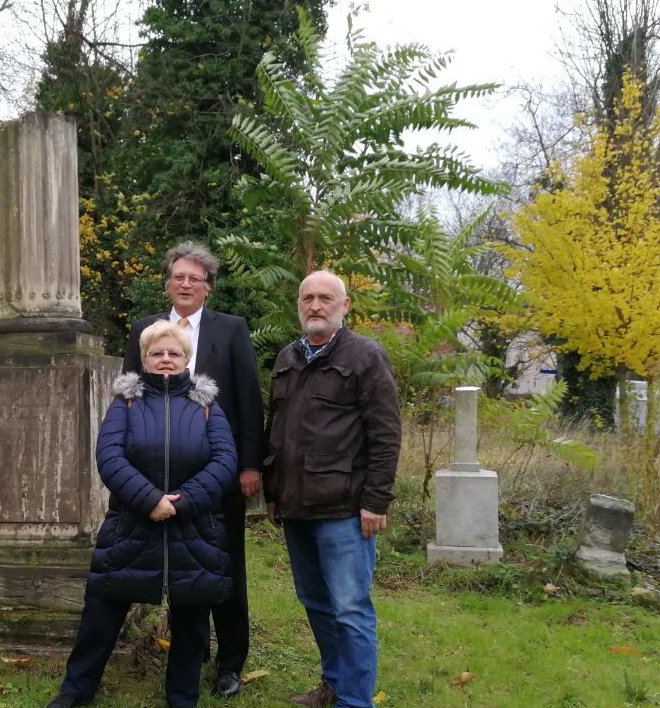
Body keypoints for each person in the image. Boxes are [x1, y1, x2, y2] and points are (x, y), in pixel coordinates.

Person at [46, 321, 237, 708]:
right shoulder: (126, 404)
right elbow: (110, 456)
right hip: (131, 524)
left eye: (174, 353)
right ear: (145, 358)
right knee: (100, 616)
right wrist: (150, 499)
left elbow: (224, 460)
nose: (166, 359)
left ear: (186, 359)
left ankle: (182, 697)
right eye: (157, 353)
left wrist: (181, 503)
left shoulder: (206, 407)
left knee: (192, 621)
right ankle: (76, 690)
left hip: (194, 527)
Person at [121, 241, 263, 698]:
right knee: (177, 567)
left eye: (195, 279)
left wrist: (249, 465)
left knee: (223, 566)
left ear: (208, 288)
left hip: (218, 472)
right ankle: (191, 648)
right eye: (178, 276)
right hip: (156, 476)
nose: (186, 284)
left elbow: (247, 399)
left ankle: (230, 662)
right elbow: (127, 396)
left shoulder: (232, 329)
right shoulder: (146, 330)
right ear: (167, 282)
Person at [262, 271, 402, 708]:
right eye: (308, 298)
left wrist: (376, 500)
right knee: (317, 604)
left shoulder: (364, 356)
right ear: (299, 305)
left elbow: (386, 433)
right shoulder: (287, 357)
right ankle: (335, 684)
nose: (315, 305)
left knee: (349, 609)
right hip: (296, 507)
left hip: (344, 509)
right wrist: (273, 492)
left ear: (345, 306)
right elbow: (278, 431)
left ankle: (355, 702)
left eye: (326, 298)